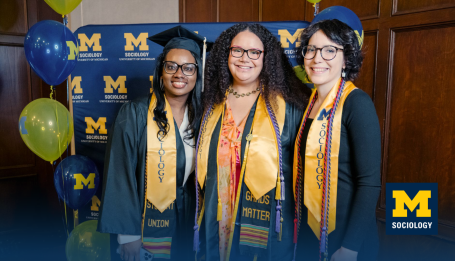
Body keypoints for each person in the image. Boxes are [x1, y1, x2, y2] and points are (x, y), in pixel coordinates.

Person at [194, 23, 311, 261]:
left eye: (254, 52)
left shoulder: (289, 108)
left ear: (266, 58)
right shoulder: (210, 104)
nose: (244, 58)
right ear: (226, 54)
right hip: (217, 220)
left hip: (267, 224)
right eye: (237, 50)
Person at [97, 26, 212, 261]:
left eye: (189, 68)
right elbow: (120, 173)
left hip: (189, 222)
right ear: (161, 72)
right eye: (171, 66)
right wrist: (127, 236)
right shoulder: (135, 114)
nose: (180, 74)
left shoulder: (204, 119)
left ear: (197, 74)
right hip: (143, 224)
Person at [293, 6, 381, 261]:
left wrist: (350, 248)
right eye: (311, 49)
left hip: (347, 241)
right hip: (311, 233)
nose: (317, 58)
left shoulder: (357, 103)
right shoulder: (309, 103)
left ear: (347, 58)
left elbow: (369, 183)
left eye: (330, 50)